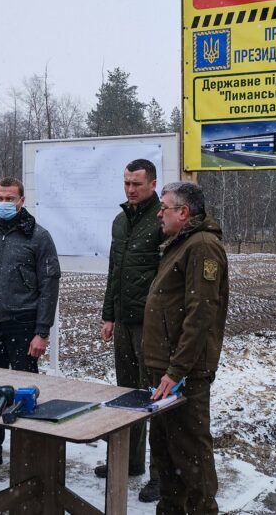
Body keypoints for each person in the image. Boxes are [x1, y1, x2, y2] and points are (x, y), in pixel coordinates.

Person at [143, 181, 229, 514]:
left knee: (190, 451)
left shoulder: (203, 246)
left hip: (184, 372)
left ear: (184, 212)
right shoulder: (180, 244)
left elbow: (200, 313)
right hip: (165, 368)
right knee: (166, 449)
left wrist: (177, 370)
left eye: (164, 208)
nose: (159, 214)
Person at [0, 176, 60, 471]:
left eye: (9, 199)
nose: (3, 204)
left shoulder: (38, 237)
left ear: (21, 201)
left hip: (22, 325)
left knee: (23, 391)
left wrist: (41, 332)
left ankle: (27, 451)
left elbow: (49, 285)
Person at [97, 159, 163, 502]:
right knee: (128, 393)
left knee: (153, 398)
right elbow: (114, 271)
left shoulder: (161, 220)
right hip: (123, 321)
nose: (130, 189)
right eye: (126, 183)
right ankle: (130, 461)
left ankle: (160, 475)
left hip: (151, 325)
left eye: (136, 183)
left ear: (152, 184)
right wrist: (109, 315)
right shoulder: (120, 221)